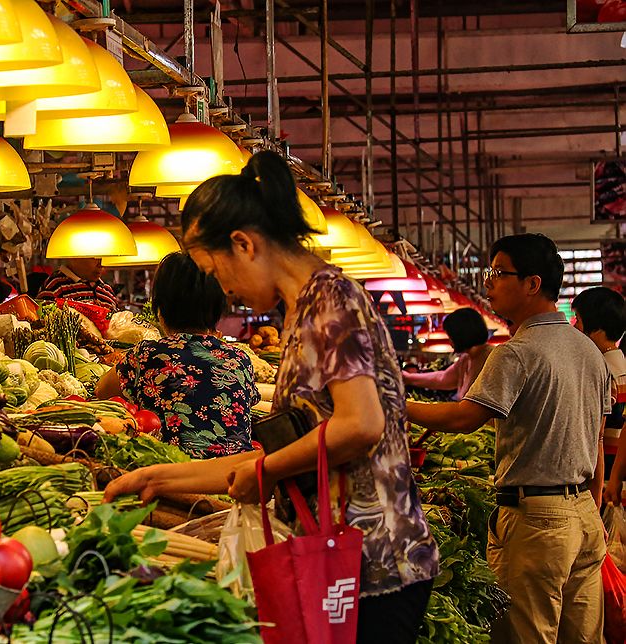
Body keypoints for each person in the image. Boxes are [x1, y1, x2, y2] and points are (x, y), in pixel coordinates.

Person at [104, 151, 438, 643]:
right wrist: (158, 476)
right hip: (345, 565)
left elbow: (360, 424)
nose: (225, 290)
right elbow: (291, 447)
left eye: (216, 272)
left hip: (374, 565)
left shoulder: (330, 301)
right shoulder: (306, 308)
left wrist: (266, 472)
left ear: (243, 244)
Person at [406, 233, 610, 644]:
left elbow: (466, 418)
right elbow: (598, 438)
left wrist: (394, 405)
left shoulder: (516, 352)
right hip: (585, 516)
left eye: (498, 273)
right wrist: (594, 505)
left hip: (536, 521)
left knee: (526, 636)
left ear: (532, 284)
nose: (488, 283)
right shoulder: (589, 351)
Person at [95, 252, 259, 459]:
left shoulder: (147, 354)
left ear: (160, 309)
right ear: (217, 309)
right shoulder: (239, 359)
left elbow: (101, 391)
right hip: (234, 477)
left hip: (173, 477)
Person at [572, 286, 626, 506]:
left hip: (605, 487)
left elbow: (595, 435)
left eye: (578, 319)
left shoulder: (602, 374)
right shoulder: (621, 366)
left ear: (597, 329)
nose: (574, 327)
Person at [402, 307, 493, 400]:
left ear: (460, 334)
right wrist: (408, 378)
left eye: (450, 336)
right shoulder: (467, 358)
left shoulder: (491, 357)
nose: (450, 341)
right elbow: (442, 378)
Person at [37, 257, 118, 310]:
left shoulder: (107, 290)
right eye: (95, 258)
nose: (100, 264)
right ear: (74, 258)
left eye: (102, 257)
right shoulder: (55, 285)